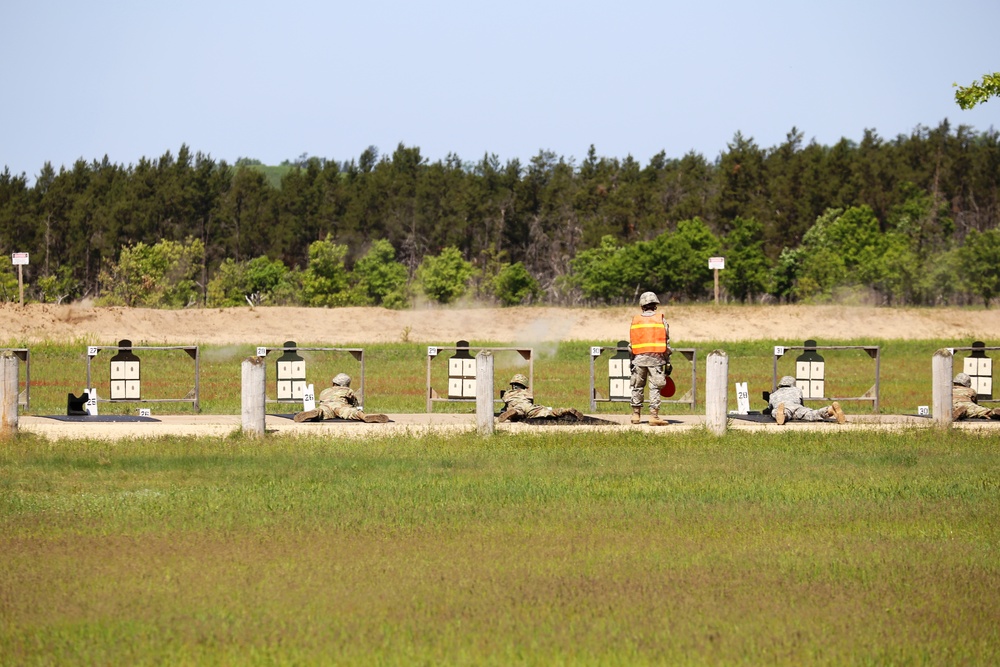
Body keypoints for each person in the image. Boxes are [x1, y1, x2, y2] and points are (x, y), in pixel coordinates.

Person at [629, 291, 671, 426]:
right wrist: (667, 360)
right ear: (655, 305)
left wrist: (632, 360)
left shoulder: (636, 320)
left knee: (637, 386)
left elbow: (631, 344)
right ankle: (654, 416)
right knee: (654, 388)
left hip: (638, 359)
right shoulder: (661, 320)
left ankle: (636, 415)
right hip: (656, 359)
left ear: (642, 306)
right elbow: (666, 343)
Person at [293, 373, 389, 423]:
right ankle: (364, 417)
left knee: (321, 411)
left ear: (333, 382)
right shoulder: (347, 390)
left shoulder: (325, 391)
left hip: (326, 405)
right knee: (352, 412)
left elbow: (322, 400)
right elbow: (355, 402)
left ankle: (314, 413)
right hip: (340, 406)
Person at [498, 374, 584, 422]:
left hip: (517, 406)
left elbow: (505, 403)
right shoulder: (527, 393)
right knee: (547, 412)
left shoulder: (508, 393)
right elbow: (530, 402)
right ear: (524, 385)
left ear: (513, 384)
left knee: (516, 414)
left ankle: (513, 413)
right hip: (529, 407)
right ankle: (564, 410)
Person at [768, 375, 846, 425]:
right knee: (812, 414)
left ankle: (782, 415)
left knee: (776, 412)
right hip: (797, 407)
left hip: (784, 407)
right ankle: (829, 410)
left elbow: (770, 407)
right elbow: (801, 402)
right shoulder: (797, 390)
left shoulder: (774, 394)